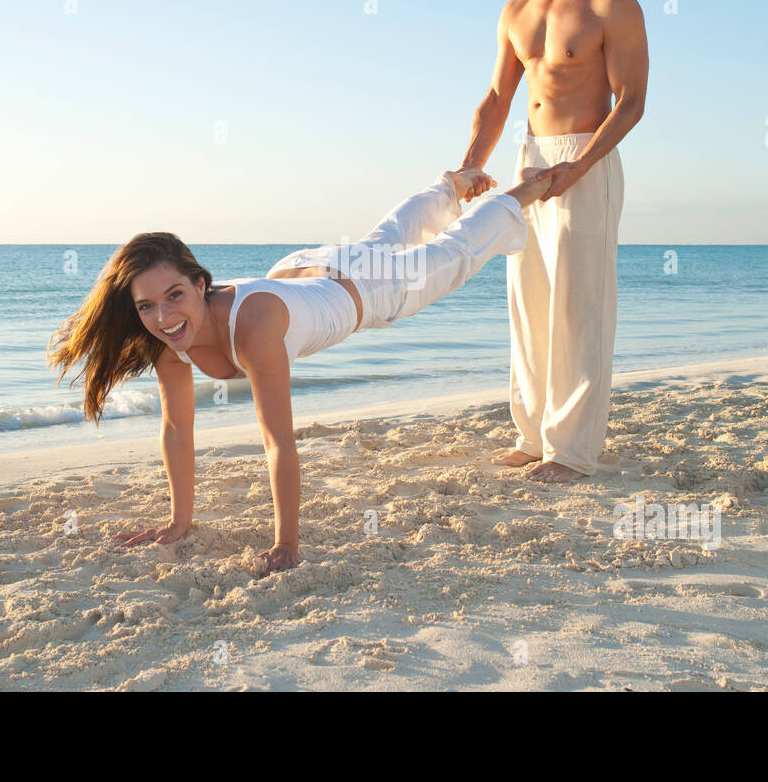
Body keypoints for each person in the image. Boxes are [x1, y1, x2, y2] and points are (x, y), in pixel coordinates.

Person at [47, 167, 553, 574]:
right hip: (303, 268)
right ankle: (449, 186)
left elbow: (278, 442)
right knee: (382, 237)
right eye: (146, 306)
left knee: (451, 254)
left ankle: (524, 190)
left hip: (365, 289)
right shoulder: (166, 339)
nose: (163, 318)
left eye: (174, 295)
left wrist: (286, 542)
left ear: (202, 284)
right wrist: (180, 521)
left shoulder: (255, 330)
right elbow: (177, 429)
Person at [457, 0, 649, 482]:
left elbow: (632, 100)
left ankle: (572, 450)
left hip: (584, 160)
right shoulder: (517, 8)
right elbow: (496, 96)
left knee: (578, 306)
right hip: (530, 160)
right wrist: (471, 162)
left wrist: (581, 164)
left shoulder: (611, 3)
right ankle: (534, 433)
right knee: (528, 300)